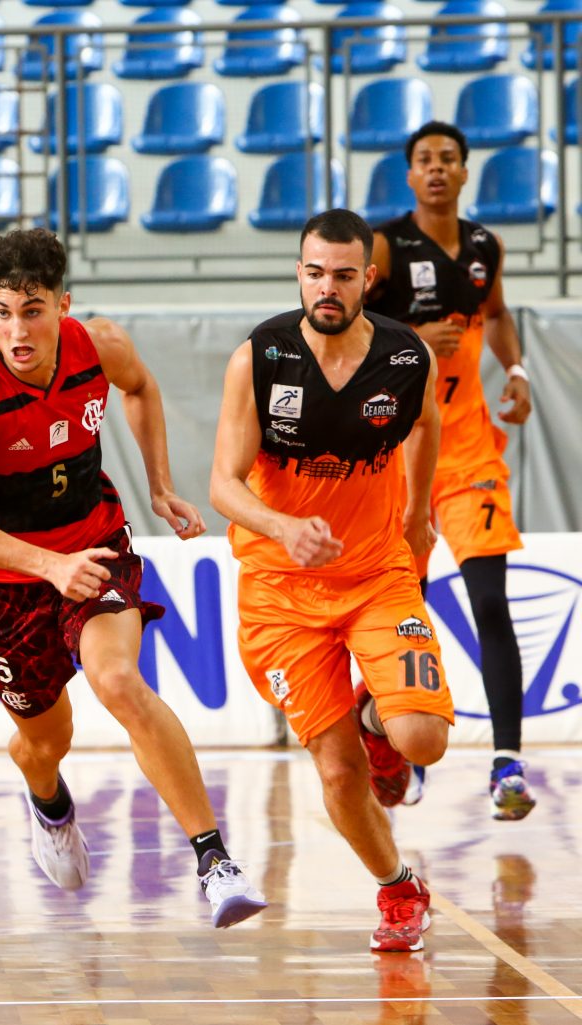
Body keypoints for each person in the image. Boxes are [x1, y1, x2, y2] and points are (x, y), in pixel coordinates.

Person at [0, 227, 266, 929]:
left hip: (95, 545)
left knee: (119, 681)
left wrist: (160, 485)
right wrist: (49, 567)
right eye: (1, 312)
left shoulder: (100, 344)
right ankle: (49, 803)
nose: (17, 331)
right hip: (5, 582)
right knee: (44, 741)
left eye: (32, 310)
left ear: (63, 304)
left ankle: (214, 862)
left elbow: (141, 388)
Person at [209, 208, 455, 953]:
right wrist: (283, 526)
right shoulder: (260, 357)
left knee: (424, 739)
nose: (327, 287)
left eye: (343, 275)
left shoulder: (407, 357)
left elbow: (426, 426)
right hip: (281, 592)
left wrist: (418, 514)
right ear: (299, 273)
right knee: (339, 771)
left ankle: (378, 718)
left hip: (376, 573)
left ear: (367, 279)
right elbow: (222, 484)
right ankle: (398, 888)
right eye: (314, 273)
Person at [366, 121, 536, 821]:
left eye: (448, 160)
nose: (436, 169)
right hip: (398, 457)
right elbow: (343, 331)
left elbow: (495, 314)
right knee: (403, 607)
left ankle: (507, 763)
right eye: (424, 160)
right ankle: (400, 746)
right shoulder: (384, 246)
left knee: (490, 602)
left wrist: (517, 368)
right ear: (409, 175)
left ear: (465, 172)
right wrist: (412, 338)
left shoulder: (484, 247)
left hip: (467, 450)